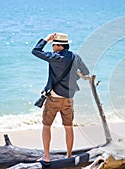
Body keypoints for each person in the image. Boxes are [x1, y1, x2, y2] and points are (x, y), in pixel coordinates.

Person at [32, 32, 90, 165]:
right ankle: (69, 156)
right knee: (68, 127)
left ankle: (46, 156)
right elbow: (85, 72)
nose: (52, 47)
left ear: (60, 46)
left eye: (54, 45)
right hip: (69, 99)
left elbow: (35, 51)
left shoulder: (55, 57)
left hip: (54, 99)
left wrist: (46, 39)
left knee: (46, 126)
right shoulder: (76, 57)